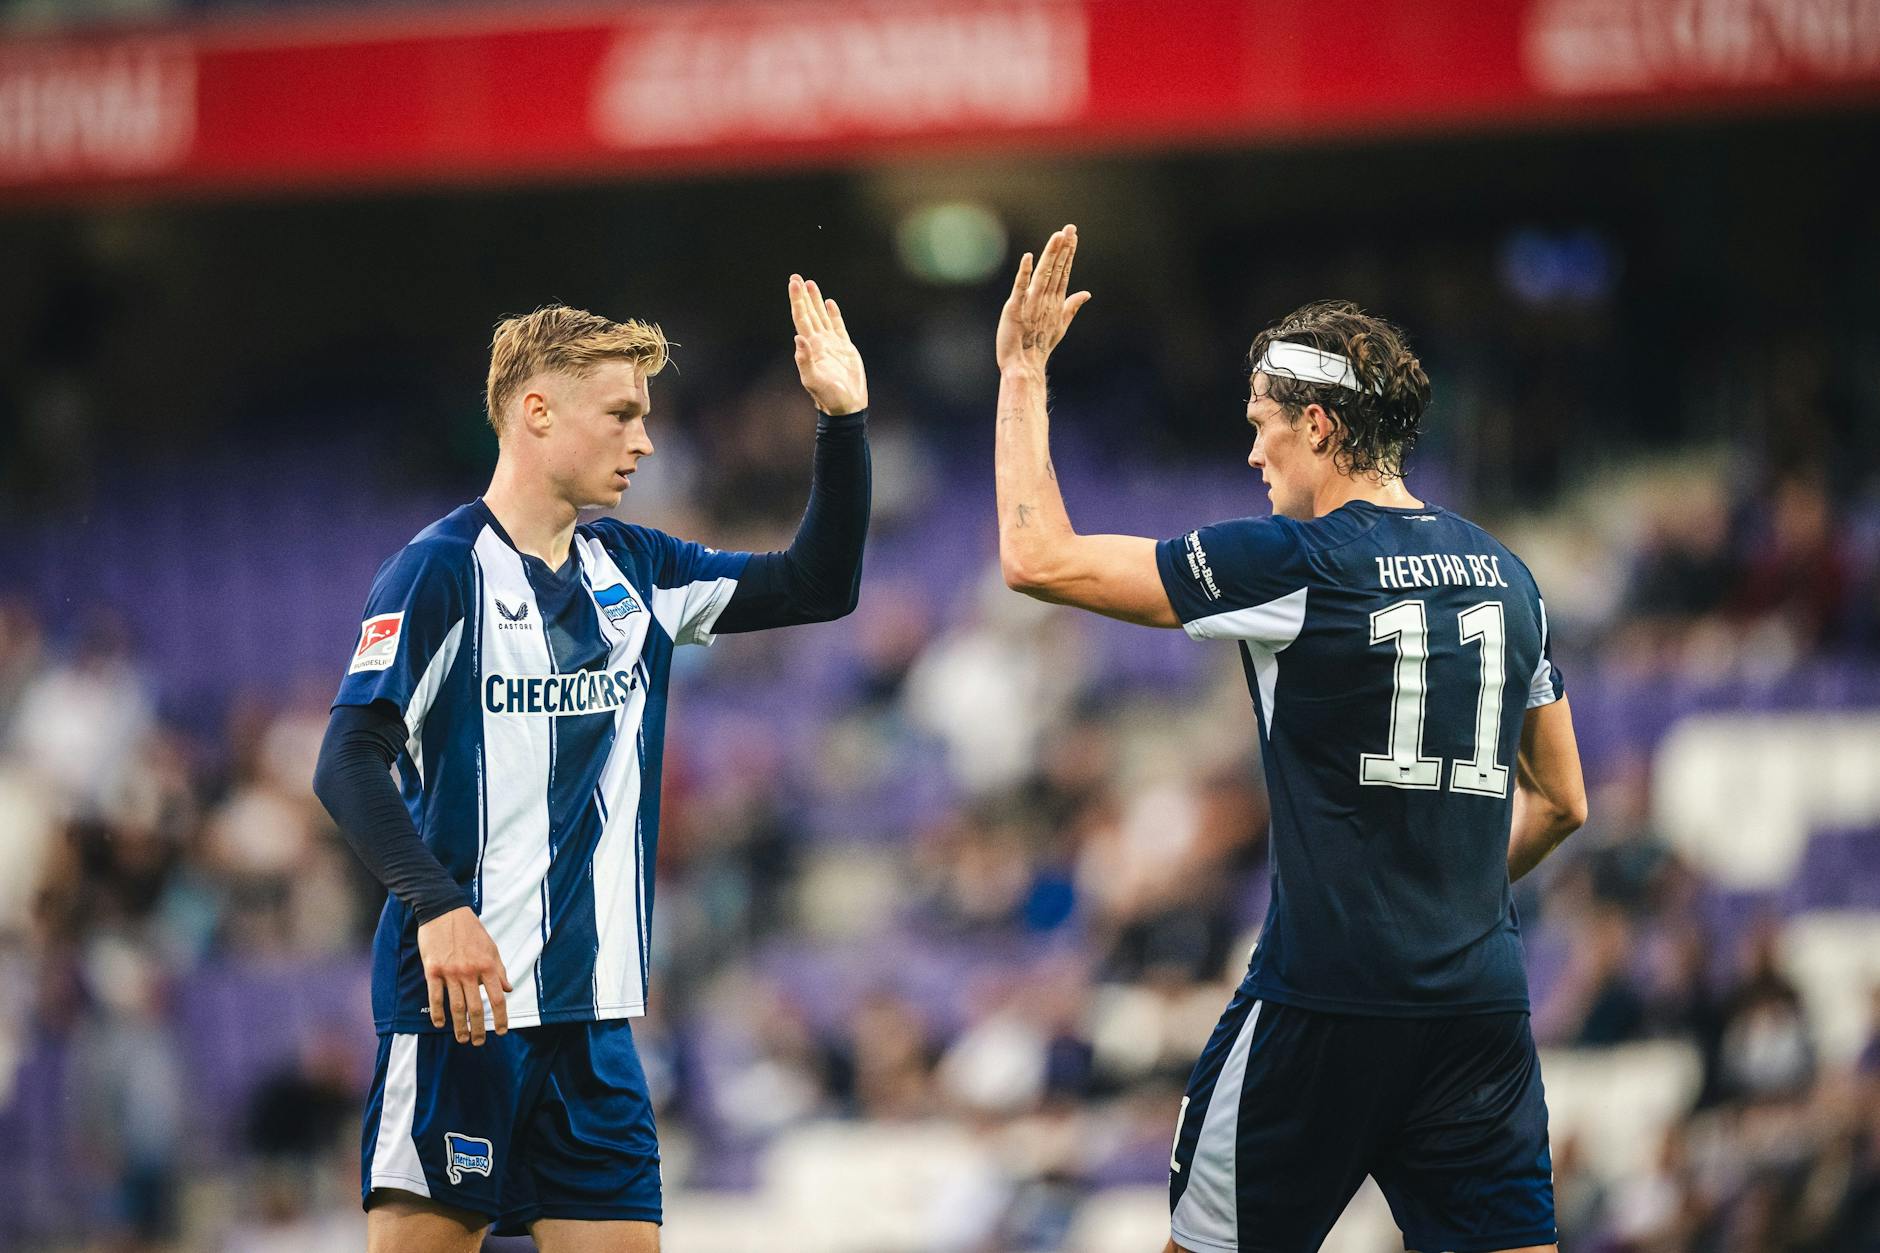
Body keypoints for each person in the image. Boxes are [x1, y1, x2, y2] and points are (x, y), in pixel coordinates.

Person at [993, 226, 1588, 1253]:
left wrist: (1019, 370)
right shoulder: (1508, 573)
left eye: (1260, 421)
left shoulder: (1299, 561)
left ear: (1316, 424)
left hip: (1320, 1008)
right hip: (1475, 1013)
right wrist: (1448, 904)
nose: (1250, 448)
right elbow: (1562, 801)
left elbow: (1034, 555)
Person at [312, 279, 870, 1253]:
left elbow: (817, 584)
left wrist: (842, 421)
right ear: (537, 411)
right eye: (621, 414)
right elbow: (347, 757)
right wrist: (435, 903)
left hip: (597, 1029)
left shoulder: (638, 567)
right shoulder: (438, 572)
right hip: (461, 1015)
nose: (644, 441)